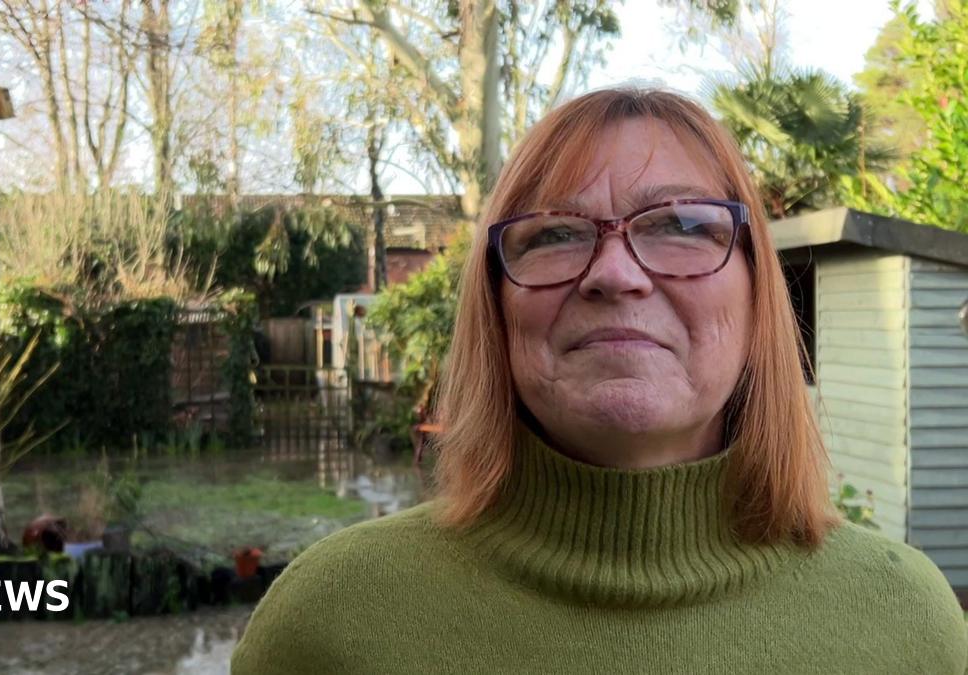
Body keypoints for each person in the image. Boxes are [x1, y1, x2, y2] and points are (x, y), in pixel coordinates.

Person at [230, 88, 968, 674]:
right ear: (495, 304)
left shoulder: (909, 625)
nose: (615, 274)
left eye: (680, 224)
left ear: (757, 293)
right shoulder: (330, 624)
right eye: (554, 233)